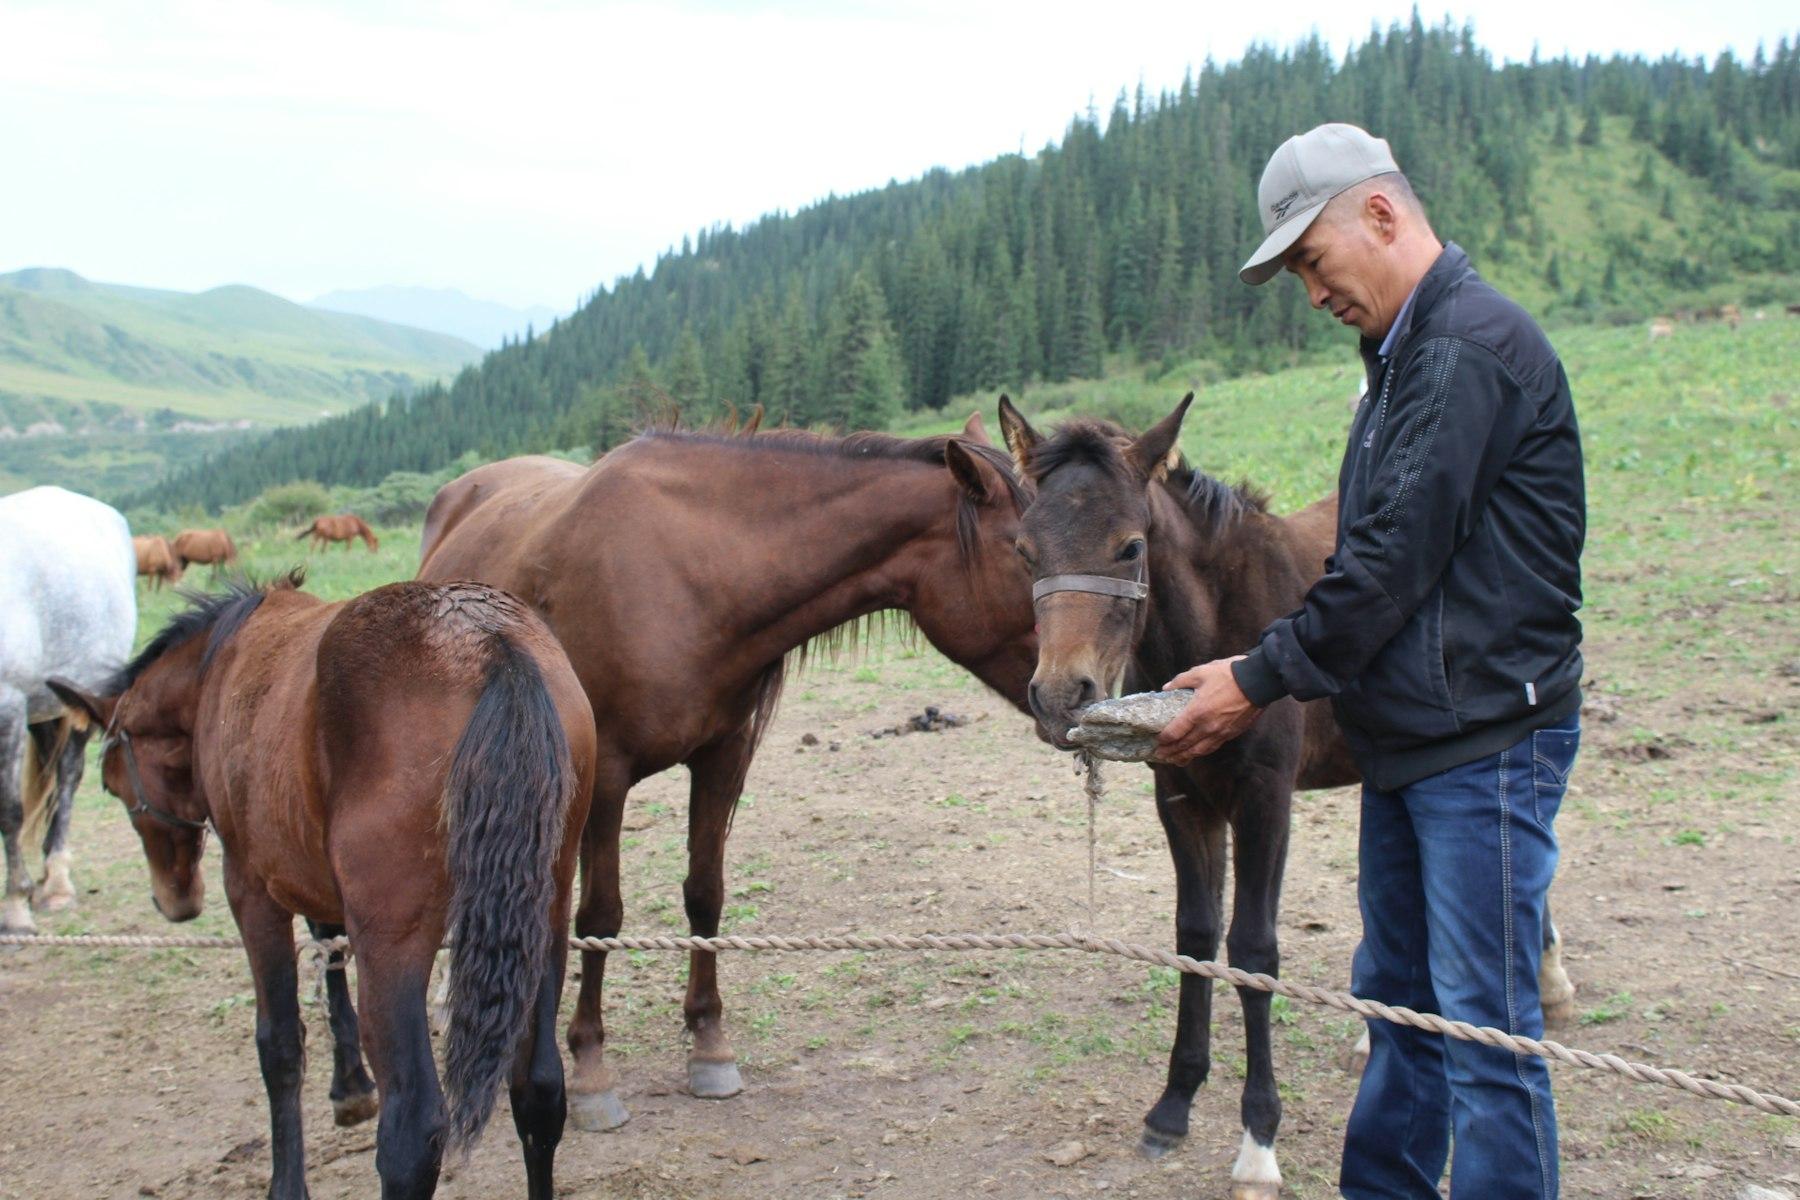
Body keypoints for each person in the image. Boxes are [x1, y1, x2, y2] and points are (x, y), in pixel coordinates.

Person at [1153, 123, 1585, 1199]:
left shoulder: (1465, 352)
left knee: (1484, 1036)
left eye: (1312, 259)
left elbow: (1383, 566)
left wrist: (1253, 677)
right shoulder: (1399, 368)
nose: (1311, 292)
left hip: (1486, 745)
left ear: (1382, 216)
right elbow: (1376, 561)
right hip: (1416, 744)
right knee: (1398, 1007)